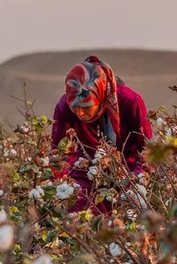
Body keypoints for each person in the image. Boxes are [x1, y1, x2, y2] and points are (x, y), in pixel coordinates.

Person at [51, 55, 152, 214]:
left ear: (101, 96)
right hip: (85, 171)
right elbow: (59, 153)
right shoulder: (64, 107)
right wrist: (62, 186)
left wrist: (137, 181)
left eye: (85, 107)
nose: (79, 113)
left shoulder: (130, 101)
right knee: (77, 214)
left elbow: (147, 150)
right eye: (75, 108)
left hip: (127, 171)